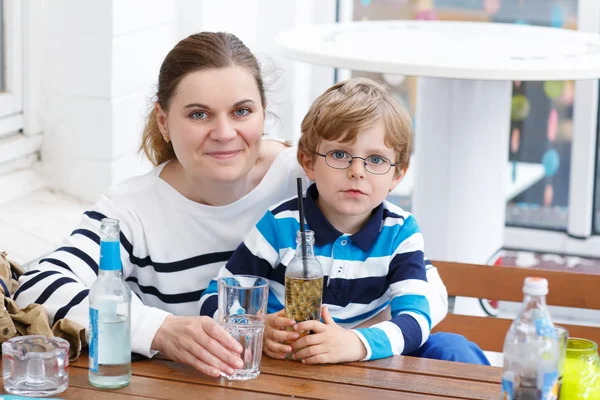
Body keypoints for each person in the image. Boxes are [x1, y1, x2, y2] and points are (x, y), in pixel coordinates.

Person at [13, 32, 305, 378]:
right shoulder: (131, 209)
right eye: (199, 115)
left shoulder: (307, 179)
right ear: (164, 121)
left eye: (241, 111)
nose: (225, 132)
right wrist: (161, 330)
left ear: (263, 113)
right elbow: (40, 284)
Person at [199, 78, 490, 365]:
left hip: (369, 361)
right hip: (292, 365)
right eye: (340, 154)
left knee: (454, 349)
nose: (357, 171)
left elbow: (415, 318)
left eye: (376, 160)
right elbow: (214, 298)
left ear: (398, 174)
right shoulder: (280, 224)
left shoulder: (400, 232)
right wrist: (260, 328)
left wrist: (356, 342)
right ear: (309, 162)